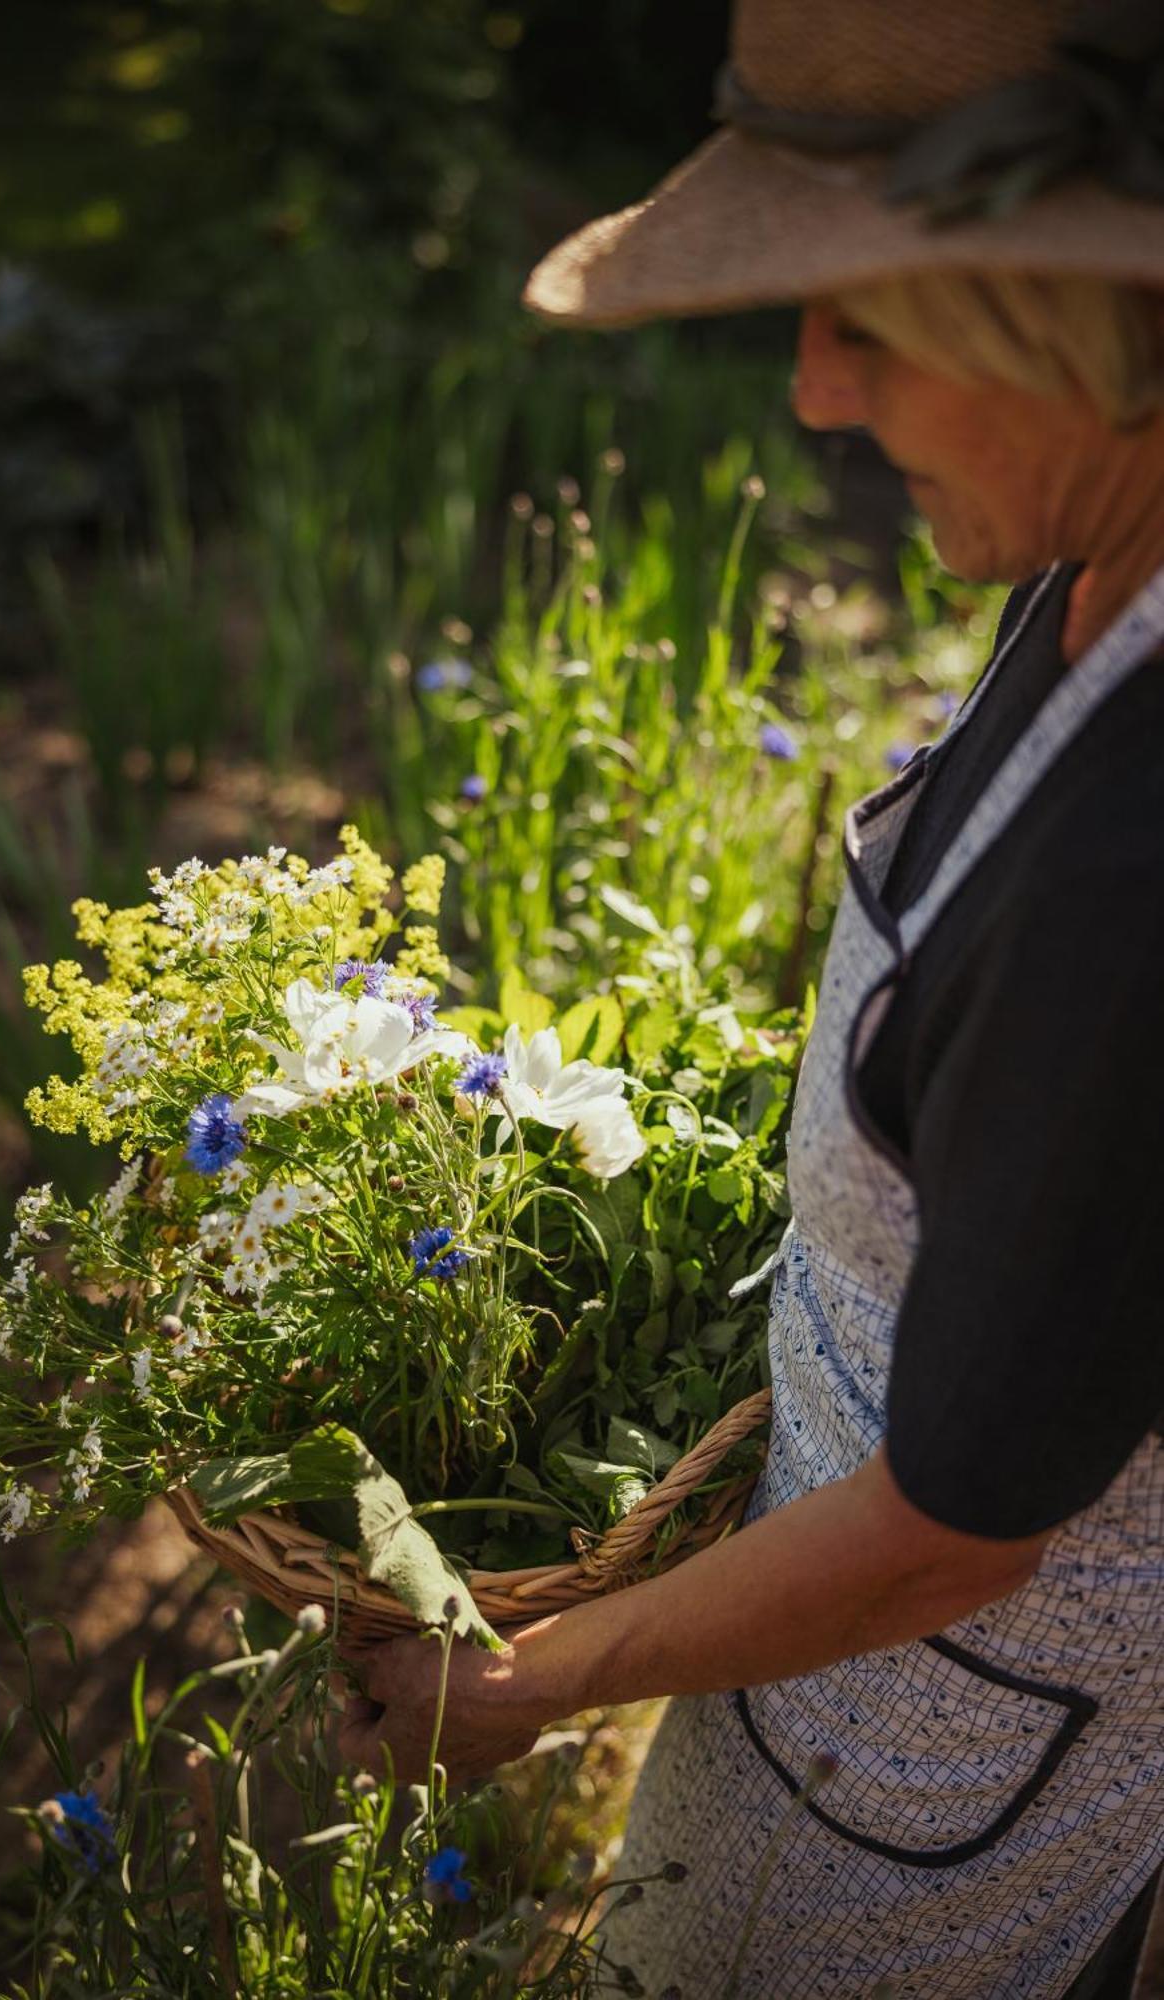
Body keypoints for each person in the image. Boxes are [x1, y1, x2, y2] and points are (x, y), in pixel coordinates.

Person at [339, 2, 1164, 1992]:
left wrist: (529, 1682)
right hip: (860, 1693)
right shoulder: (1087, 580)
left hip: (962, 1761)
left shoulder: (1139, 868)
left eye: (861, 319)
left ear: (1080, 326)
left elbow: (962, 1524)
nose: (806, 387)